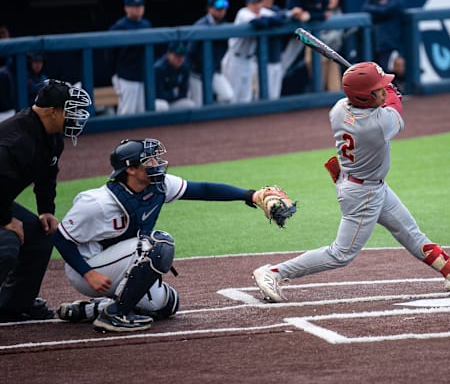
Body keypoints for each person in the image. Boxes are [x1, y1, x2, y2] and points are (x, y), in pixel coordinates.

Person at [252, 62, 450, 303]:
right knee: (341, 254)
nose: (385, 88)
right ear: (365, 97)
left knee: (411, 234)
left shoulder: (338, 109)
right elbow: (395, 107)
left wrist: (382, 89)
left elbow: (385, 100)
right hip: (363, 194)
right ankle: (274, 272)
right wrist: (391, 93)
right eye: (378, 88)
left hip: (365, 184)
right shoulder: (377, 126)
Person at [54, 138, 281, 332]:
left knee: (166, 305)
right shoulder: (96, 202)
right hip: (87, 269)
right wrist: (88, 273)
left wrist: (250, 195)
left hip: (120, 263)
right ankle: (114, 315)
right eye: (149, 160)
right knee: (158, 244)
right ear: (131, 169)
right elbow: (60, 237)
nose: (156, 163)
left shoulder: (158, 186)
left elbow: (201, 189)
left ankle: (92, 309)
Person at [0, 79, 92, 322]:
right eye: (70, 110)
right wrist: (6, 220)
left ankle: (13, 304)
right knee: (7, 246)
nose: (76, 116)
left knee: (40, 235)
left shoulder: (51, 136)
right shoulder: (15, 139)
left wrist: (46, 210)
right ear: (52, 112)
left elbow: (47, 176)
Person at [280, 0, 332, 88]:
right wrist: (303, 14)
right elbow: (293, 13)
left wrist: (309, 15)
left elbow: (326, 14)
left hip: (306, 34)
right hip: (290, 34)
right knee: (281, 65)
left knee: (285, 66)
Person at [107, 0, 152, 115]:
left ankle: (142, 135)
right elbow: (110, 55)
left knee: (143, 112)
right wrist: (114, 75)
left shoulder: (147, 25)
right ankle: (123, 136)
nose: (138, 9)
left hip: (144, 77)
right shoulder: (119, 27)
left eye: (140, 6)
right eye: (134, 6)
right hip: (126, 78)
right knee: (127, 112)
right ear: (126, 8)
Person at [187, 0, 235, 106]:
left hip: (214, 71)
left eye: (223, 9)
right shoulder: (200, 25)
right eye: (218, 9)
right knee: (199, 106)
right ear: (209, 9)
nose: (221, 12)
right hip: (197, 73)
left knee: (227, 96)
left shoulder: (224, 25)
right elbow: (190, 51)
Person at [223, 0, 266, 103]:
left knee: (246, 99)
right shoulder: (243, 13)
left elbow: (280, 17)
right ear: (248, 4)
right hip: (235, 60)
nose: (257, 6)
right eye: (254, 3)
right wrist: (270, 21)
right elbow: (258, 23)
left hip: (249, 60)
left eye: (259, 2)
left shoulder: (262, 12)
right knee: (232, 98)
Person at [362, 0, 406, 84]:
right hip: (375, 42)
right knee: (378, 73)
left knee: (391, 70)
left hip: (392, 41)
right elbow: (364, 9)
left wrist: (377, 10)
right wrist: (379, 9)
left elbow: (386, 10)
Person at [304, 0, 343, 92]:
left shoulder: (338, 13)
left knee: (334, 88)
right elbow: (310, 36)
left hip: (332, 51)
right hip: (316, 52)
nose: (333, 0)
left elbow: (337, 36)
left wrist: (325, 39)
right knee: (318, 86)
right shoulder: (316, 9)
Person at [258, 0, 291, 100]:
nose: (269, 1)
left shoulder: (275, 10)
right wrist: (286, 15)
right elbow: (281, 17)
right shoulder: (258, 12)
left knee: (275, 95)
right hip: (260, 62)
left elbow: (283, 16)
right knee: (259, 96)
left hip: (276, 58)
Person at [154, 41, 196, 112]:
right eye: (177, 55)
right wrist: (174, 93)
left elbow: (183, 93)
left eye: (182, 55)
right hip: (159, 103)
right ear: (168, 54)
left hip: (173, 102)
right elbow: (159, 94)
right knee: (163, 106)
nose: (180, 59)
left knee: (190, 105)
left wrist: (173, 94)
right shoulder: (159, 68)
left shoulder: (184, 67)